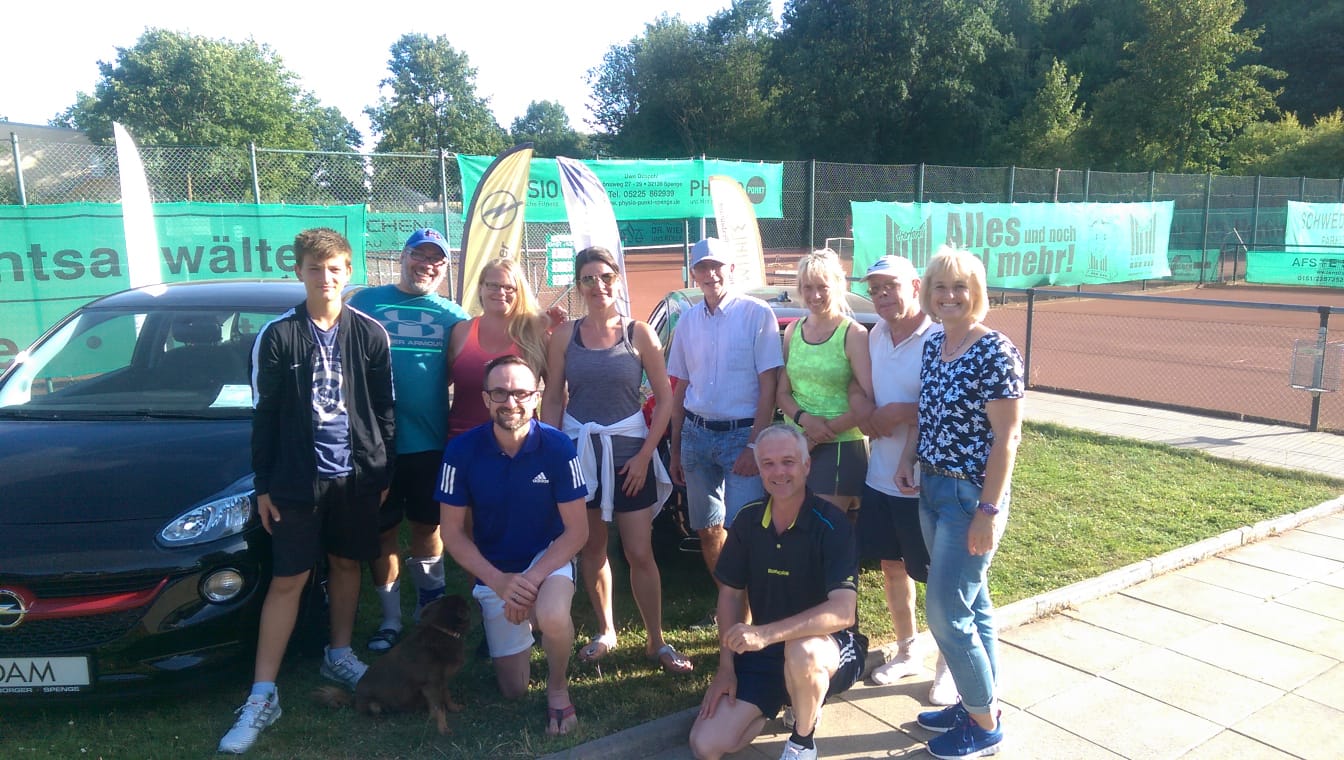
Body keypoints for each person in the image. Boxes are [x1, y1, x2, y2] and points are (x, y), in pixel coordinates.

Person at [218, 228, 395, 754]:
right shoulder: (277, 335)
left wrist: (381, 471)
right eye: (315, 268)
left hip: (355, 478)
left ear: (349, 271)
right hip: (296, 480)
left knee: (346, 564)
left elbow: (385, 409)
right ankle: (262, 694)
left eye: (335, 268)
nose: (325, 278)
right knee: (289, 579)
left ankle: (338, 654)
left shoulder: (371, 333)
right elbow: (264, 415)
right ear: (298, 272)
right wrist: (264, 485)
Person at [896, 246, 1024, 759]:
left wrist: (987, 512)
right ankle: (977, 705)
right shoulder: (934, 344)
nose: (949, 296)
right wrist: (909, 458)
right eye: (940, 287)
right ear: (928, 293)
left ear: (977, 293)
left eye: (960, 287)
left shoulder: (995, 351)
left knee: (948, 614)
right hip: (931, 489)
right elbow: (925, 413)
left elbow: (1007, 438)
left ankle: (985, 725)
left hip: (970, 499)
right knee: (976, 606)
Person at [539, 246, 691, 675]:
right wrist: (551, 451)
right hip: (580, 453)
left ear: (616, 280)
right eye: (588, 278)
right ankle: (606, 630)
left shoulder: (639, 333)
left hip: (629, 455)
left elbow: (664, 400)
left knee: (640, 551)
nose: (598, 286)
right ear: (579, 284)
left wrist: (644, 456)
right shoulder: (565, 336)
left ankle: (656, 641)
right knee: (591, 546)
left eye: (605, 277)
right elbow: (554, 398)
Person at [687, 424, 867, 760]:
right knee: (706, 744)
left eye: (788, 462)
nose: (779, 472)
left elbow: (843, 612)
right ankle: (787, 697)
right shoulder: (748, 519)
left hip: (828, 645)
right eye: (768, 464)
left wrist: (765, 634)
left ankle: (802, 739)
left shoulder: (832, 524)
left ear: (806, 466)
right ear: (758, 469)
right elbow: (730, 594)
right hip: (768, 649)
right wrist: (726, 666)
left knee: (802, 652)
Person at [437, 354, 588, 736]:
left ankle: (558, 686)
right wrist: (500, 582)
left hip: (546, 558)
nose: (511, 401)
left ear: (536, 396)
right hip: (496, 569)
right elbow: (451, 533)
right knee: (514, 689)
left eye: (521, 392)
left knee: (553, 615)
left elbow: (577, 532)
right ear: (485, 398)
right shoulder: (460, 451)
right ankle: (529, 619)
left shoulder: (558, 446)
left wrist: (530, 583)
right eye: (500, 392)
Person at [347, 228, 468, 652]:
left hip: (429, 442)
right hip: (373, 444)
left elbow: (458, 369)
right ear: (403, 256)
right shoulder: (364, 302)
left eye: (437, 260)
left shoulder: (453, 315)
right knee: (383, 532)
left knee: (427, 526)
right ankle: (390, 619)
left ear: (445, 267)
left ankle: (428, 610)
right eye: (420, 255)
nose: (427, 265)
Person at [668, 237, 783, 611]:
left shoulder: (756, 314)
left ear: (731, 269)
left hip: (741, 436)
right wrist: (676, 448)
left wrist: (754, 445)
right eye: (702, 267)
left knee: (743, 531)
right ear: (694, 273)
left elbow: (769, 385)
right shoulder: (687, 321)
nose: (710, 274)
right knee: (707, 529)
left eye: (716, 266)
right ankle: (731, 607)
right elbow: (680, 386)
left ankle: (748, 613)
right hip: (696, 436)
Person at [850, 256, 944, 691]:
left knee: (938, 577)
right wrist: (864, 408)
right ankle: (908, 652)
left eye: (890, 286)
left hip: (924, 482)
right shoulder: (875, 335)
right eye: (875, 289)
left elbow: (945, 404)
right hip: (880, 477)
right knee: (892, 566)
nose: (882, 295)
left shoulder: (940, 337)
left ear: (915, 286)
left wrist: (898, 412)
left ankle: (949, 666)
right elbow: (856, 382)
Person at [775, 249, 872, 517]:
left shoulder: (853, 334)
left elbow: (867, 399)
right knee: (796, 524)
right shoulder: (793, 331)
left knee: (823, 526)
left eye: (822, 287)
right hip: (797, 444)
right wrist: (805, 421)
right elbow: (782, 393)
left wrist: (819, 433)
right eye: (808, 287)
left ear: (838, 286)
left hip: (842, 445)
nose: (815, 295)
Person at [446, 258, 551, 437]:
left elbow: (555, 395)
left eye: (509, 287)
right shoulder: (460, 332)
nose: (501, 292)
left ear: (519, 292)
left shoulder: (537, 335)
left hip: (521, 442)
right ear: (481, 287)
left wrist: (548, 438)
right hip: (463, 442)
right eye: (493, 285)